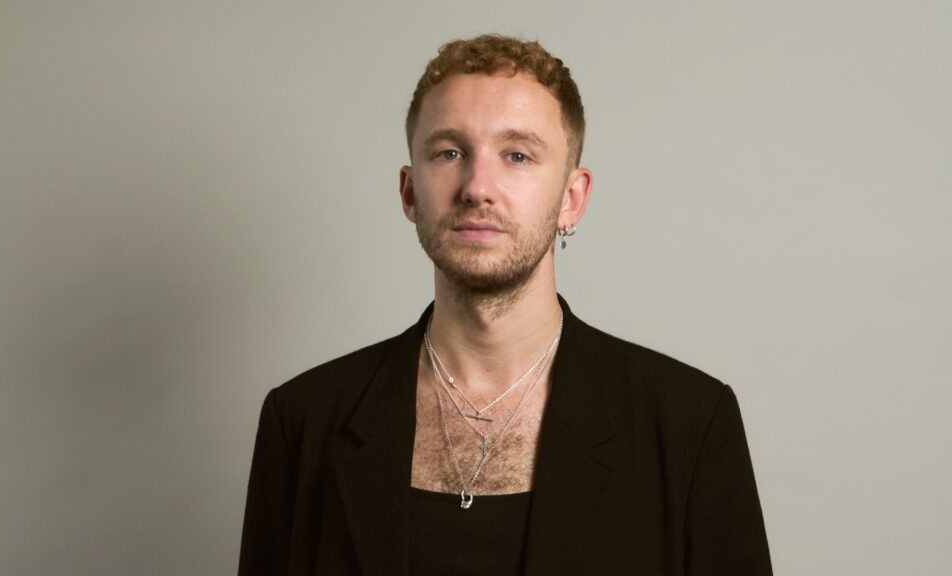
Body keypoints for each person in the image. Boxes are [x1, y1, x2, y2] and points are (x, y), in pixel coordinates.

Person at [239, 34, 772, 575]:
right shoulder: (303, 422)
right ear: (409, 193)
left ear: (572, 198)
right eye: (449, 152)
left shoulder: (690, 426)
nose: (477, 187)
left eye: (517, 155)